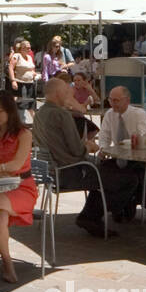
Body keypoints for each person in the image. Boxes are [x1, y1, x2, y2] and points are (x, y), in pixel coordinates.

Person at [32, 77, 127, 238]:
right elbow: (77, 150)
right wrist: (88, 146)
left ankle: (91, 215)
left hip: (52, 172)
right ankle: (92, 217)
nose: (70, 94)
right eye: (66, 92)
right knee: (123, 178)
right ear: (58, 93)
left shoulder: (39, 114)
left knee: (108, 172)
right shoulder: (61, 114)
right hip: (70, 172)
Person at [0, 92, 39, 284]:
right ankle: (8, 265)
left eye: (0, 110)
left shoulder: (24, 134)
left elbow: (16, 164)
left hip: (22, 186)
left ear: (10, 112)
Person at [97, 86, 146, 152]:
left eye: (116, 100)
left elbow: (144, 139)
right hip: (117, 156)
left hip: (137, 156)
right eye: (110, 100)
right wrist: (103, 149)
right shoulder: (109, 114)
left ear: (127, 101)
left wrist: (125, 143)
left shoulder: (140, 114)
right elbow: (104, 136)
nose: (112, 104)